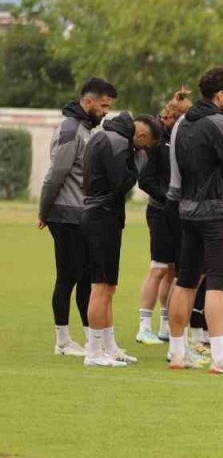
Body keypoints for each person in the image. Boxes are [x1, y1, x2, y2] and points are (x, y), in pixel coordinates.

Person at [167, 66, 223, 375]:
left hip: (187, 209)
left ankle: (178, 352)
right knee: (218, 283)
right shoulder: (219, 124)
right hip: (216, 212)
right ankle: (219, 358)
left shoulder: (182, 123)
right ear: (220, 94)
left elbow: (177, 171)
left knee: (185, 281)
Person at [39, 77, 116, 357]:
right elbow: (56, 173)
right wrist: (44, 210)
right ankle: (62, 341)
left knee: (85, 278)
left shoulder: (85, 128)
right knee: (68, 277)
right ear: (88, 101)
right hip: (65, 214)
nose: (106, 111)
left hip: (82, 215)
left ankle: (89, 339)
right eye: (103, 106)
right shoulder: (71, 129)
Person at [81, 111, 160, 367]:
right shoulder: (118, 143)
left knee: (108, 287)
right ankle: (94, 351)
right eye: (145, 147)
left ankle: (109, 346)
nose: (143, 151)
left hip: (100, 214)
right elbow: (121, 183)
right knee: (101, 286)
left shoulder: (106, 136)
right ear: (141, 135)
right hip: (102, 216)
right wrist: (137, 162)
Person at [136, 89, 191, 345]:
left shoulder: (185, 142)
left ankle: (166, 325)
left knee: (174, 271)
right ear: (170, 117)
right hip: (160, 212)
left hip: (180, 214)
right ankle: (143, 326)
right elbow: (145, 180)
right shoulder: (158, 143)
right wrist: (168, 198)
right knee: (158, 268)